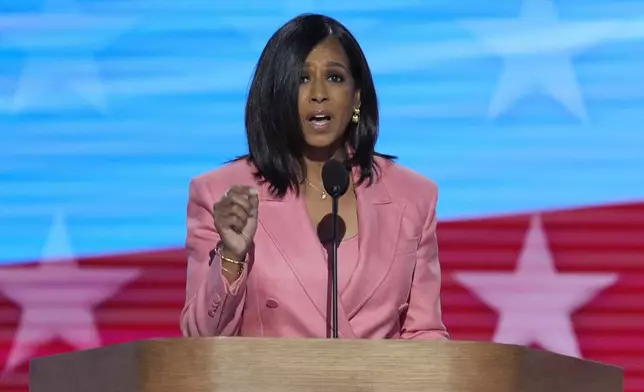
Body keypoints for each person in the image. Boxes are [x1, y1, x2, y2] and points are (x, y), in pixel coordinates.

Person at [179, 13, 449, 340]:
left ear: (357, 97)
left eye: (334, 78)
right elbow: (200, 343)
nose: (318, 93)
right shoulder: (221, 194)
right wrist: (232, 256)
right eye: (301, 79)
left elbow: (425, 335)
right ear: (277, 93)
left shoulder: (413, 195)